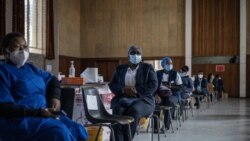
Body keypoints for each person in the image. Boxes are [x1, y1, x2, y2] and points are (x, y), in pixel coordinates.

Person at [0, 32, 88, 141]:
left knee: (77, 129)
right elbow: (4, 107)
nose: (22, 50)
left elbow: (53, 80)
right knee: (58, 131)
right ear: (6, 51)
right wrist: (39, 112)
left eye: (24, 47)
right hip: (20, 120)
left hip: (45, 115)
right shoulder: (2, 72)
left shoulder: (31, 68)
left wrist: (55, 97)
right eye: (17, 47)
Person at [109, 45, 158, 141]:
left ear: (141, 56)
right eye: (133, 53)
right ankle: (118, 139)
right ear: (128, 56)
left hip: (144, 99)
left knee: (134, 111)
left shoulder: (147, 68)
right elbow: (112, 84)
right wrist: (123, 90)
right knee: (117, 110)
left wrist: (136, 91)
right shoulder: (120, 68)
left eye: (138, 53)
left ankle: (127, 138)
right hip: (124, 99)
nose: (135, 55)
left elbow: (153, 84)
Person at [154, 57, 182, 131]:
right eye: (168, 63)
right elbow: (153, 86)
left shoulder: (175, 74)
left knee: (169, 102)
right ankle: (155, 127)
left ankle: (166, 126)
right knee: (155, 102)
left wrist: (171, 86)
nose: (170, 65)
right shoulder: (158, 73)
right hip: (160, 94)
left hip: (172, 95)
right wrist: (156, 95)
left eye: (171, 63)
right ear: (163, 64)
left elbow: (180, 88)